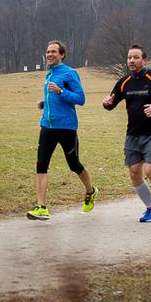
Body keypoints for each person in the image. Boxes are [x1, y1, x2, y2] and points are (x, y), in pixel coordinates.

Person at [101, 44, 151, 223]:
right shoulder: (123, 82)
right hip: (132, 134)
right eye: (129, 57)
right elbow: (111, 104)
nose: (132, 61)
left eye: (136, 57)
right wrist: (106, 103)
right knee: (135, 172)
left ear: (144, 60)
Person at [26, 40, 98, 220]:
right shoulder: (49, 74)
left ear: (62, 54)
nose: (49, 54)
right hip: (47, 127)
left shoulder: (69, 73)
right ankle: (42, 207)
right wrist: (45, 103)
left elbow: (80, 99)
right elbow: (54, 98)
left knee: (74, 165)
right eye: (48, 51)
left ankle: (90, 191)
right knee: (41, 165)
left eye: (53, 52)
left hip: (66, 128)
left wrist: (60, 92)